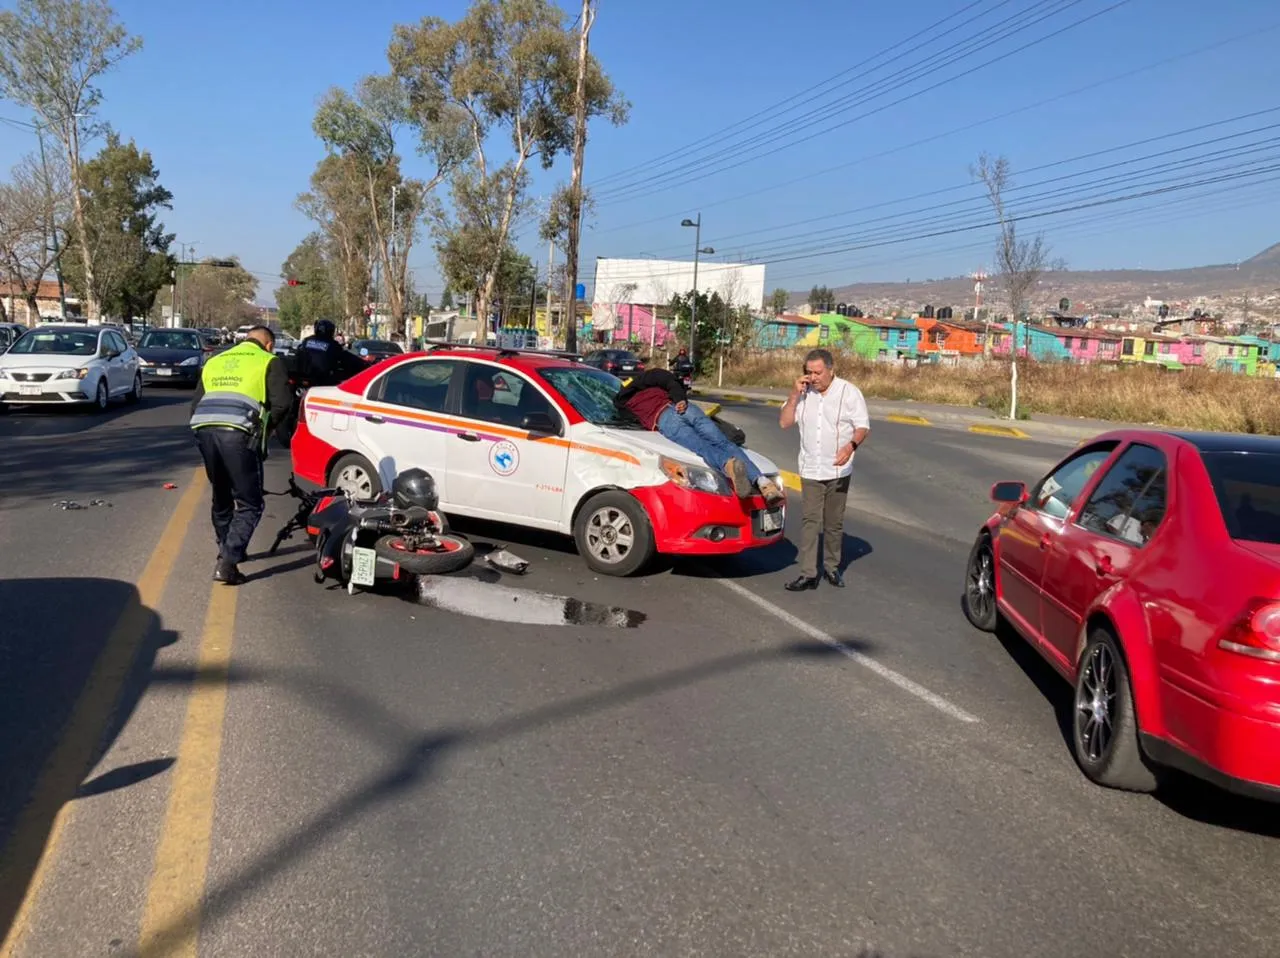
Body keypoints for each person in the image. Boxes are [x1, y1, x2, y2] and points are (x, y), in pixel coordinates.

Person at [189, 325, 292, 584]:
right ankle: (228, 562)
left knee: (221, 496)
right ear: (269, 344)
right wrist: (264, 432)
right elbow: (282, 403)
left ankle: (226, 548)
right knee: (250, 503)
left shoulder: (216, 359)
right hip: (238, 432)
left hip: (204, 428)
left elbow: (195, 402)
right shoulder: (269, 360)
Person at [615, 367, 784, 503]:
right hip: (685, 408)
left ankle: (729, 466)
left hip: (665, 420)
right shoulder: (649, 377)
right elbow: (670, 380)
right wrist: (679, 399)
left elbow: (627, 421)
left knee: (702, 447)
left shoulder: (622, 401)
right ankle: (764, 484)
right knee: (724, 443)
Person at [778, 348, 870, 592]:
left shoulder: (849, 393)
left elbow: (862, 427)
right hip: (810, 467)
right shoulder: (803, 394)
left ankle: (831, 566)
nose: (813, 377)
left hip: (838, 469)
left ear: (831, 370)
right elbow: (785, 422)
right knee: (810, 520)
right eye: (809, 372)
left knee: (833, 522)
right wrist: (794, 394)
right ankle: (808, 573)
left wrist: (850, 446)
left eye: (818, 372)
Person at [294, 319, 362, 387]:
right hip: (323, 379)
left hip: (304, 376)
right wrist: (363, 363)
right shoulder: (333, 344)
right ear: (331, 331)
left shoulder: (307, 340)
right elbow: (346, 357)